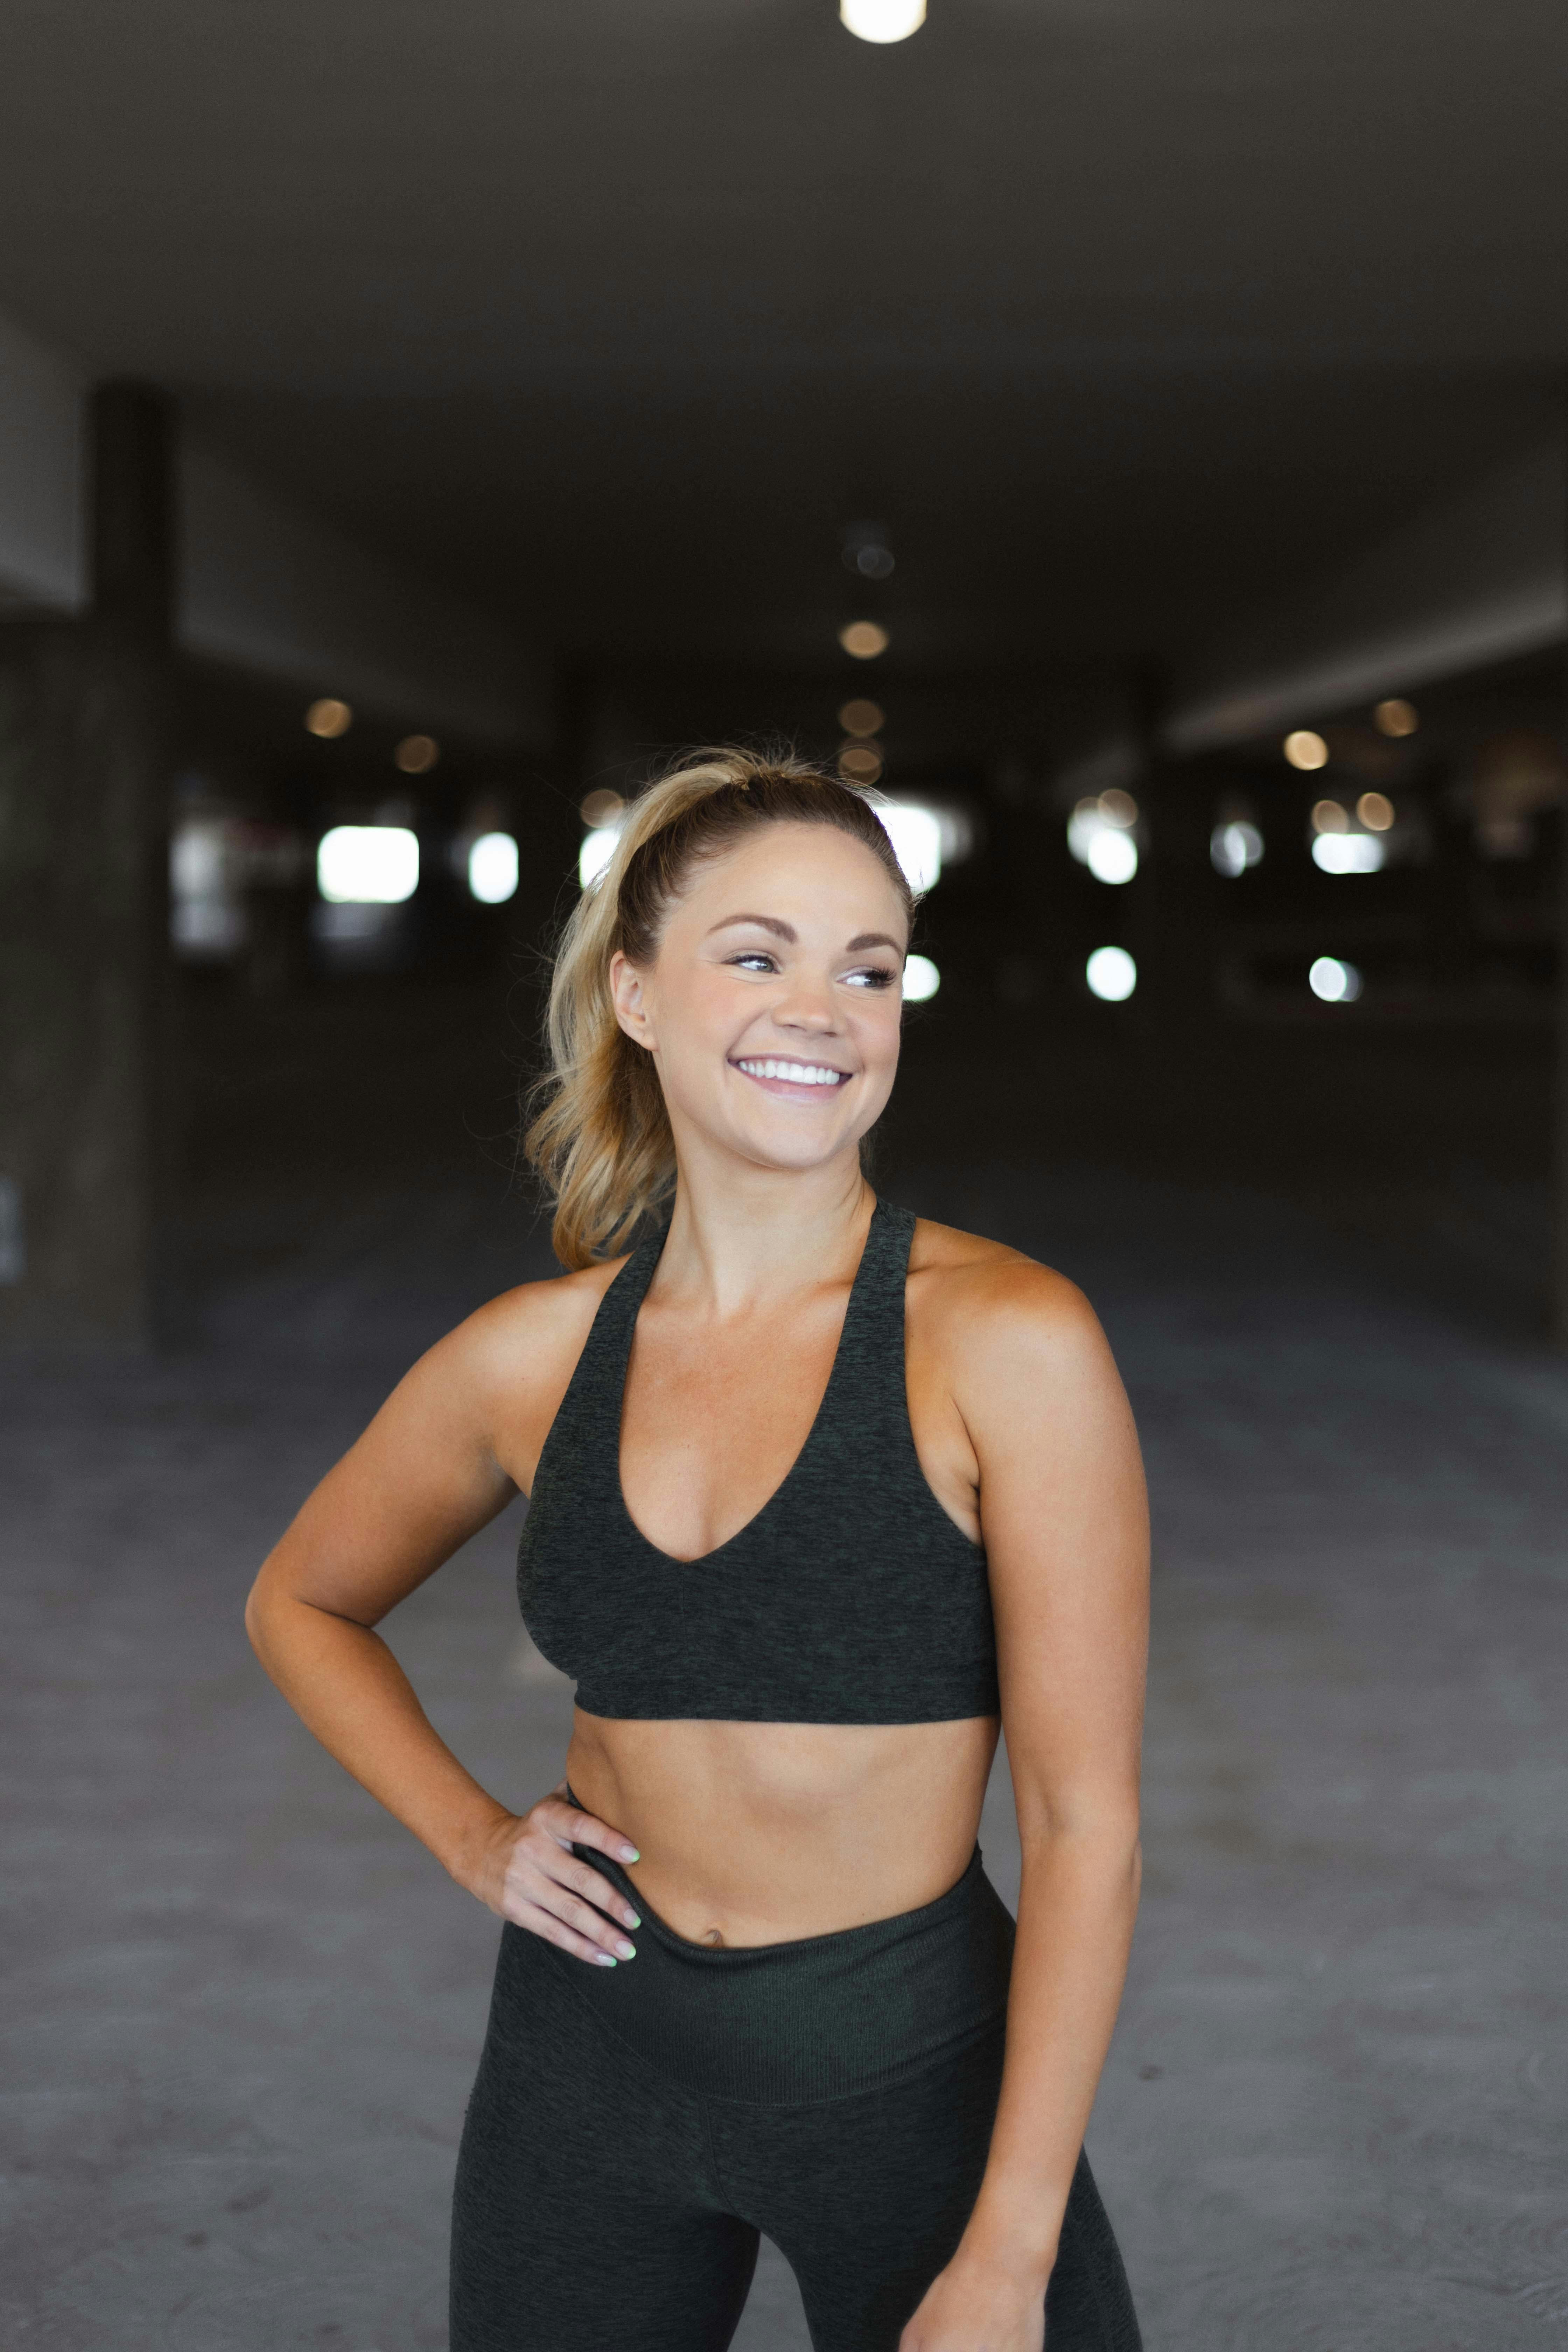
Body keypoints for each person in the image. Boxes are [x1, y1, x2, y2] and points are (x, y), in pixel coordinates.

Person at [245, 751, 1148, 2352]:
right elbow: (305, 1600)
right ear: (638, 996)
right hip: (585, 2066)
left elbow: (1083, 1824)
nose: (823, 1008)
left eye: (868, 968)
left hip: (904, 2071)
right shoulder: (532, 1357)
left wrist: (1006, 2256)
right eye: (757, 955)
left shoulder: (1005, 1340)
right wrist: (471, 1839)